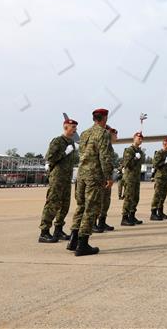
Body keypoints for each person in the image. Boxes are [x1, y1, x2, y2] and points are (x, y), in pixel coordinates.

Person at [67, 108, 112, 256]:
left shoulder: (85, 133)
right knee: (90, 208)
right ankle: (83, 244)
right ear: (104, 117)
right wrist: (109, 176)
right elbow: (104, 157)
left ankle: (73, 240)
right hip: (93, 175)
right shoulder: (103, 134)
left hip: (81, 175)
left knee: (80, 206)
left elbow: (82, 154)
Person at [38, 117, 79, 243]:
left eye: (75, 128)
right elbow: (50, 158)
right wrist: (64, 153)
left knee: (65, 205)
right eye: (73, 128)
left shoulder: (71, 143)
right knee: (52, 203)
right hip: (57, 177)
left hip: (67, 177)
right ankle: (44, 232)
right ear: (65, 127)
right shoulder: (58, 141)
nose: (74, 130)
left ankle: (58, 229)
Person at [94, 126, 119, 232]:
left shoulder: (110, 147)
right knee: (97, 201)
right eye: (114, 134)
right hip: (101, 177)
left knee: (106, 201)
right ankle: (93, 223)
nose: (116, 136)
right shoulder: (103, 146)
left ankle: (102, 222)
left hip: (107, 177)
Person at [120, 131, 144, 226]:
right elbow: (127, 164)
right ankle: (124, 218)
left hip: (136, 177)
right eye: (139, 138)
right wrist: (135, 158)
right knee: (129, 197)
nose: (140, 140)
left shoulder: (140, 151)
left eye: (141, 139)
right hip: (129, 177)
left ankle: (132, 216)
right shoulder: (129, 150)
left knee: (135, 198)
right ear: (134, 138)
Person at [149, 136, 167, 221]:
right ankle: (153, 213)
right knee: (157, 195)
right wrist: (164, 162)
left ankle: (160, 212)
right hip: (159, 177)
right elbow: (155, 164)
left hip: (165, 177)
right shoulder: (159, 153)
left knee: (163, 196)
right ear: (164, 144)